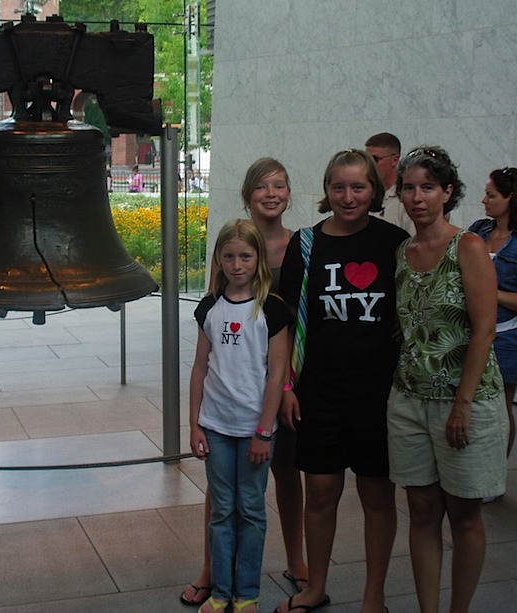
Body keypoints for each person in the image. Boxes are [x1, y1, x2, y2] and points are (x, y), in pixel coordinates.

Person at [275, 149, 408, 613]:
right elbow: (286, 322)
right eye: (338, 187)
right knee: (322, 492)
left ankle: (375, 595)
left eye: (358, 187)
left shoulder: (394, 241)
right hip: (320, 390)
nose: (348, 197)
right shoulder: (307, 244)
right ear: (326, 190)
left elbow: (413, 302)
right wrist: (287, 387)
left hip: (378, 391)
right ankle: (315, 585)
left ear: (374, 190)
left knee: (376, 494)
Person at [181, 159, 309, 608]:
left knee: (282, 476)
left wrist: (286, 388)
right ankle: (213, 573)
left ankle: (294, 563)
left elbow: (299, 321)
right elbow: (209, 347)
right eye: (261, 186)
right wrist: (195, 421)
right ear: (247, 194)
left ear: (289, 192)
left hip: (277, 384)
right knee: (222, 496)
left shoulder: (302, 246)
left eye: (279, 184)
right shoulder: (230, 259)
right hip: (228, 404)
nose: (271, 193)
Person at [387, 146, 508, 613]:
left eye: (428, 188)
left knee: (464, 515)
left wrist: (462, 403)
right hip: (409, 400)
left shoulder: (469, 247)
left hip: (464, 402)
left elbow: (484, 329)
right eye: (409, 188)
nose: (417, 197)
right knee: (421, 514)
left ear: (448, 192)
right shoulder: (403, 251)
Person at [189, 218, 290, 613]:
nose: (236, 264)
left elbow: (277, 374)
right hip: (215, 426)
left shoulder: (272, 309)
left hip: (254, 429)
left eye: (245, 256)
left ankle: (247, 592)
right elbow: (200, 367)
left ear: (258, 258)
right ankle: (221, 591)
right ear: (218, 259)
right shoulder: (210, 307)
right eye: (228, 256)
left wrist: (264, 431)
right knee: (221, 510)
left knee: (250, 509)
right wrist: (194, 423)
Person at [469, 167, 517, 465]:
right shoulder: (478, 230)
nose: (484, 200)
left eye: (491, 195)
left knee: (499, 404)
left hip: (507, 334)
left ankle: (496, 468)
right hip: (473, 329)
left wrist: (489, 290)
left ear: (510, 198)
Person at [365, 133, 414, 234]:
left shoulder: (406, 199)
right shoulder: (363, 196)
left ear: (394, 160)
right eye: (366, 159)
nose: (369, 165)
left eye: (375, 159)